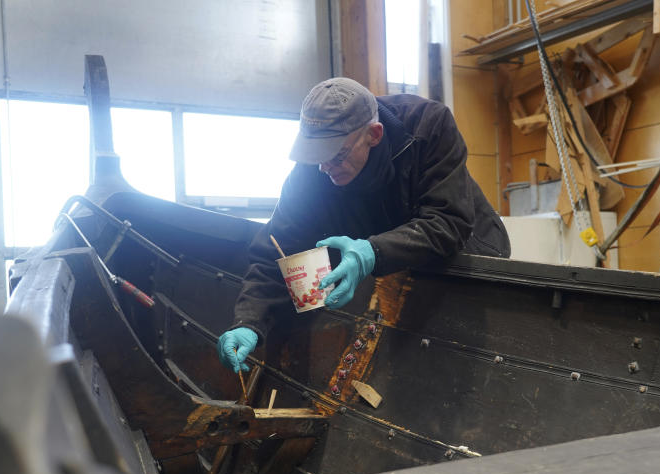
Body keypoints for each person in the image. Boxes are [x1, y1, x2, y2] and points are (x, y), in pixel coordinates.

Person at [217, 77, 511, 372]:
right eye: (317, 156)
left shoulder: (429, 126)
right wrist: (250, 322)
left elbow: (448, 221)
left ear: (374, 134)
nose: (325, 168)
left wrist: (373, 251)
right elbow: (279, 249)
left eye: (338, 155)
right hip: (386, 259)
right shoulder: (315, 168)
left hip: (467, 253)